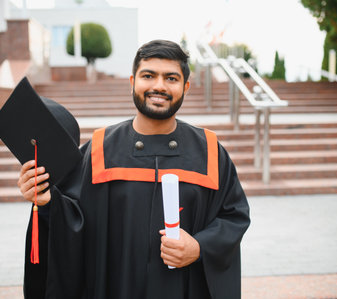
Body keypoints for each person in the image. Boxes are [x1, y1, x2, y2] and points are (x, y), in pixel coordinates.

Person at [17, 39, 250, 299]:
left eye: (171, 78)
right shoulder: (99, 149)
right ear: (132, 82)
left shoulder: (208, 151)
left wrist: (199, 247)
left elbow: (234, 216)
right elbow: (72, 218)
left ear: (185, 87)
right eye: (148, 76)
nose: (159, 86)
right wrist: (48, 202)